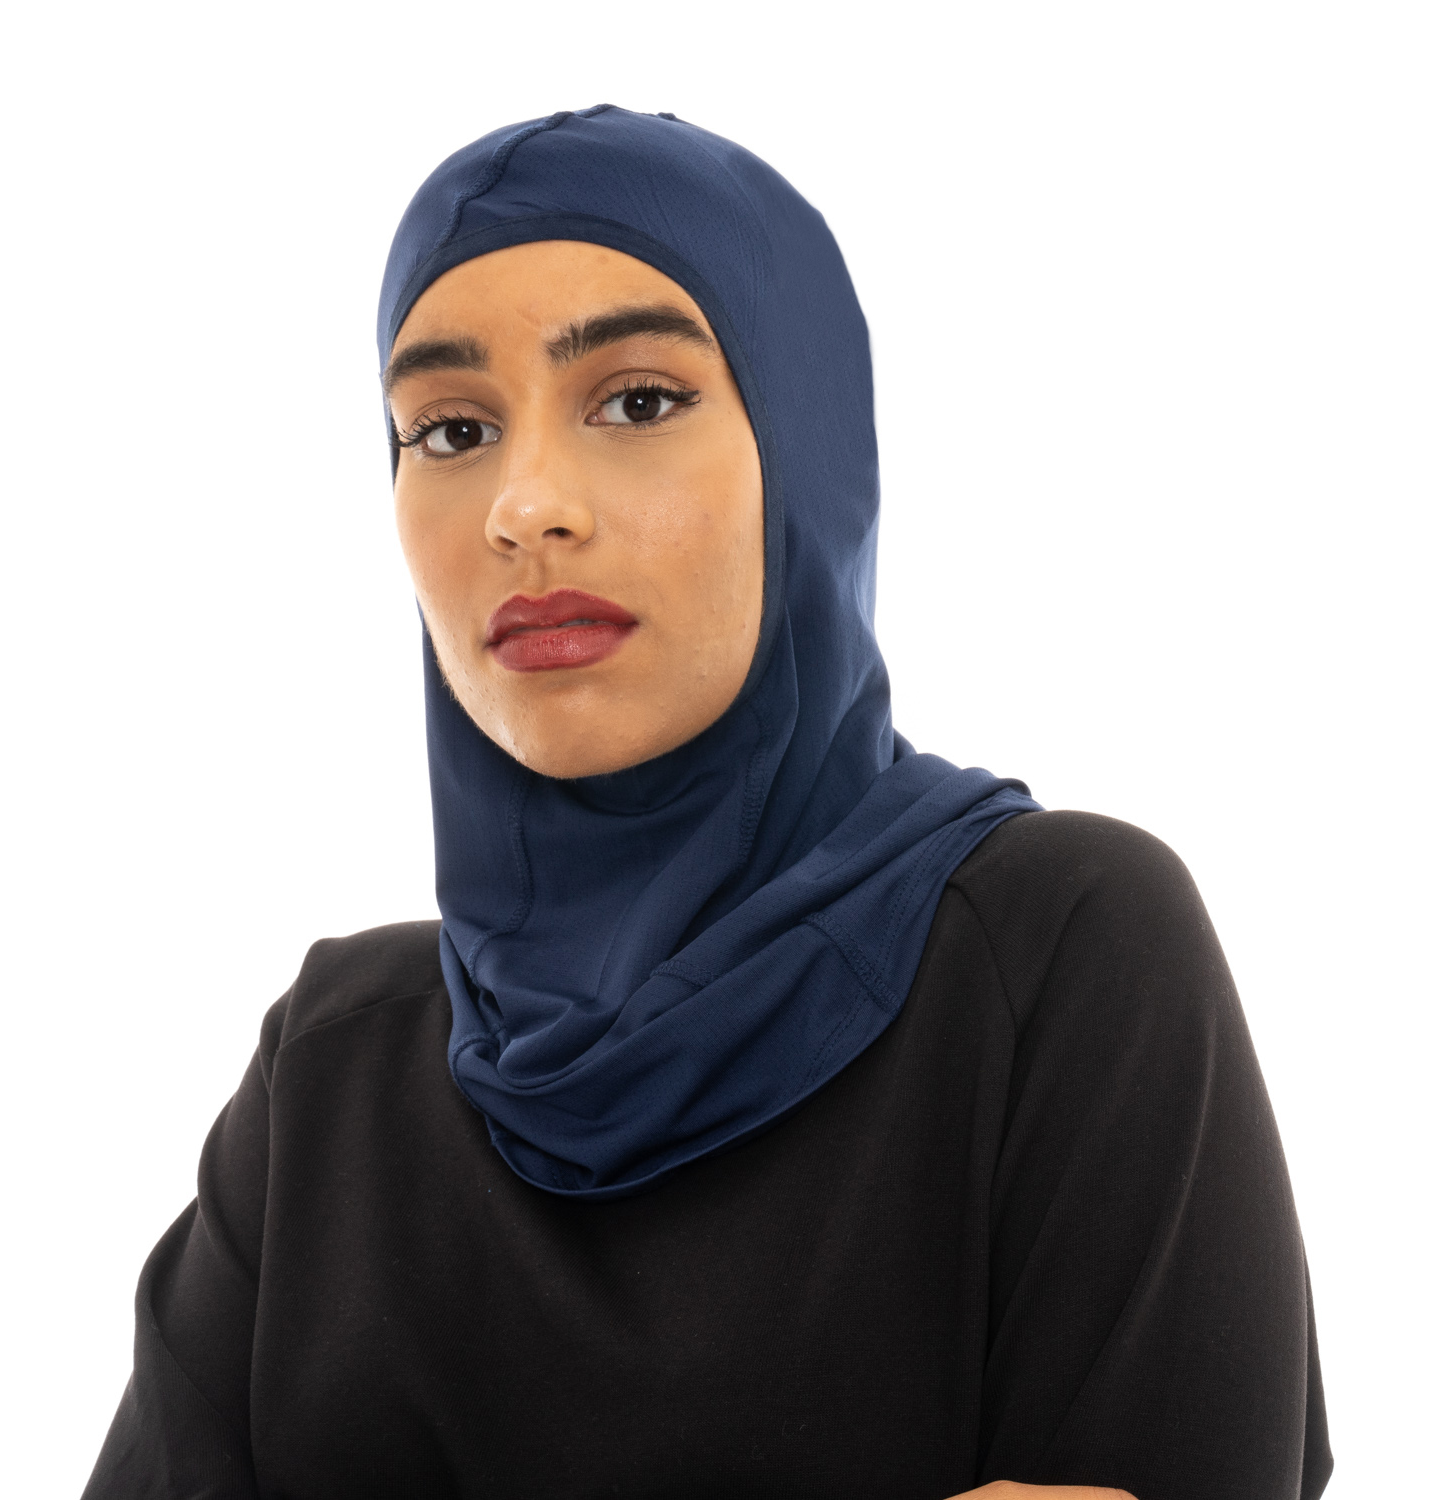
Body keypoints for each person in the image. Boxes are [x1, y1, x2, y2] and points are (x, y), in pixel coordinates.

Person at [83, 106, 1331, 1500]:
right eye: (450, 428)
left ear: (808, 457)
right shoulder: (333, 1068)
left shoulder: (1057, 951)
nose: (523, 507)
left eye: (636, 401)